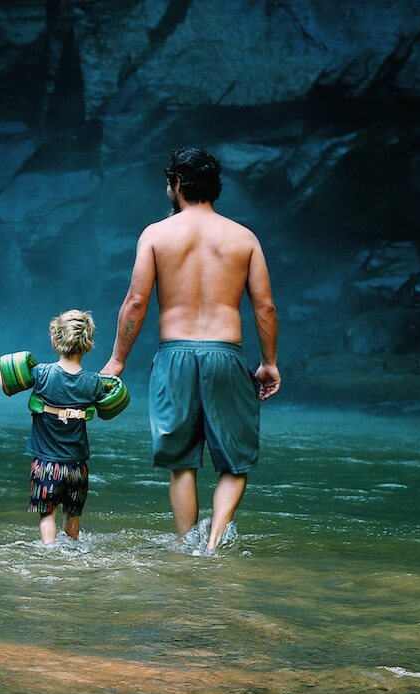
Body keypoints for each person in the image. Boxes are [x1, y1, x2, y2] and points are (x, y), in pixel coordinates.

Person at [101, 147, 280, 553]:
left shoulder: (156, 235)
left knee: (181, 461)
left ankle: (186, 546)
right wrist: (268, 362)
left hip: (174, 355)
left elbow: (135, 302)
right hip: (226, 354)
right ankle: (213, 544)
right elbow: (265, 306)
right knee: (235, 462)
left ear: (177, 183)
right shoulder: (243, 238)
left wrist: (117, 360)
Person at [0, 309, 106, 544]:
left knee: (47, 515)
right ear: (88, 345)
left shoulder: (42, 374)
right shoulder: (93, 382)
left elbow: (7, 384)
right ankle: (72, 553)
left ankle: (49, 554)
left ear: (55, 341)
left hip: (46, 465)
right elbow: (108, 400)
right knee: (73, 515)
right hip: (77, 467)